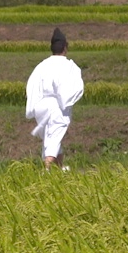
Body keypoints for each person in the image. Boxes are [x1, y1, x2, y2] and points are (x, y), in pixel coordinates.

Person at [25, 28, 84, 170]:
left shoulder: (42, 65)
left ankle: (59, 168)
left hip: (41, 106)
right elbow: (69, 90)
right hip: (56, 107)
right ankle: (46, 171)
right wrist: (66, 102)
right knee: (53, 140)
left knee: (51, 139)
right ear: (65, 47)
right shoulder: (69, 66)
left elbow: (32, 87)